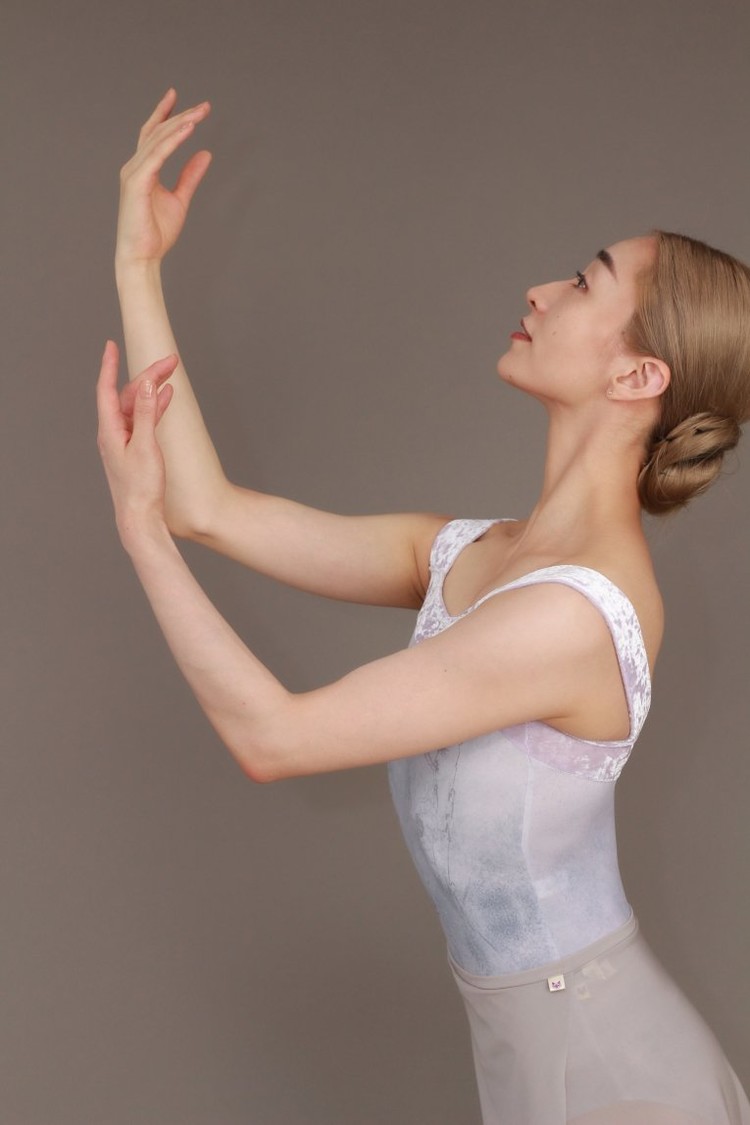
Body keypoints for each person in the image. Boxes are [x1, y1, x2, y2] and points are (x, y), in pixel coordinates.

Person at [97, 88, 750, 1124]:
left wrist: (137, 532)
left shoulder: (574, 616)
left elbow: (274, 737)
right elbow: (207, 508)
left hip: (617, 1079)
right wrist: (138, 268)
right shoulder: (472, 555)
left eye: (585, 282)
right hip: (530, 1054)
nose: (541, 290)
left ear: (638, 374)